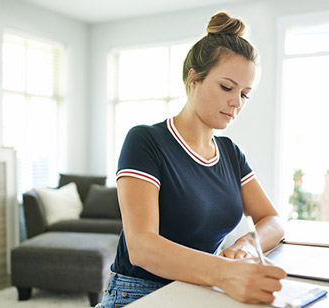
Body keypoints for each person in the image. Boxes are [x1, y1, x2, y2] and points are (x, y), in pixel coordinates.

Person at [98, 11, 286, 308]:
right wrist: (225, 273)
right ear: (193, 78)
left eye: (245, 94)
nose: (236, 102)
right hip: (139, 294)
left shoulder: (229, 153)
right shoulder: (146, 141)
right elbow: (142, 247)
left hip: (202, 289)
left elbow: (272, 220)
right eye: (227, 87)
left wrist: (245, 247)